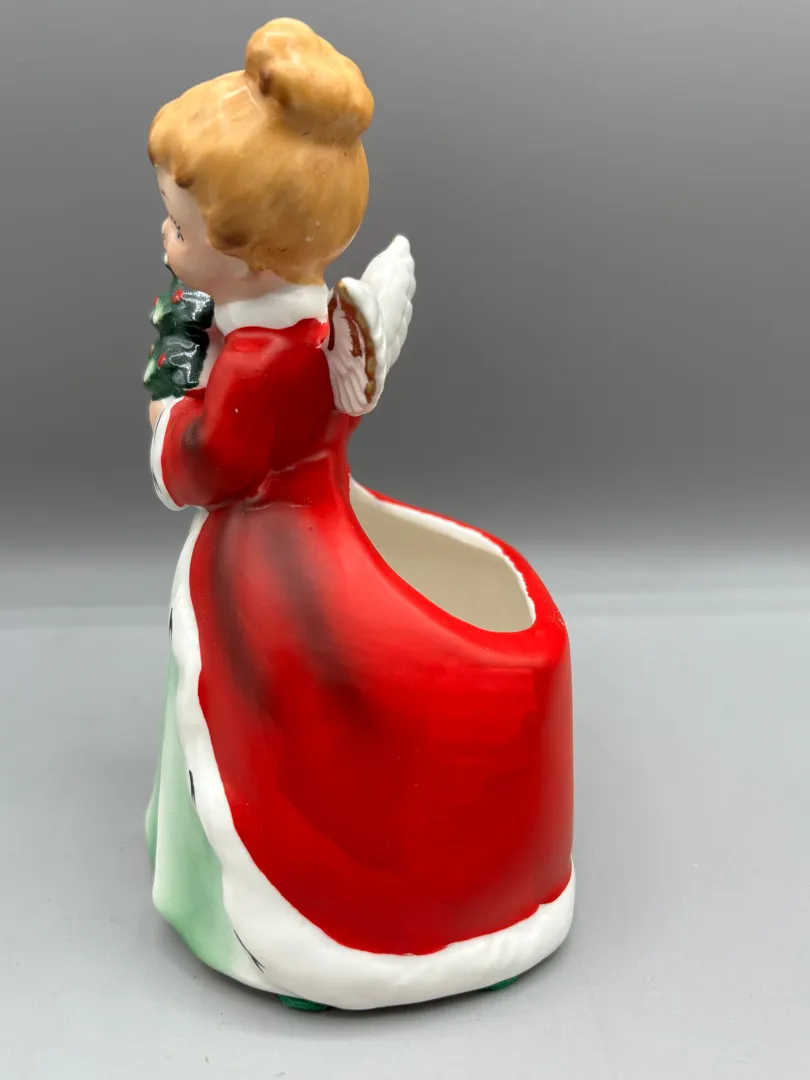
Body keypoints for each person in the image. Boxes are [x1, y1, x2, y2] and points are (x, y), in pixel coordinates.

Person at [145, 17, 574, 1011]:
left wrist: (169, 378)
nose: (164, 242)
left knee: (271, 715)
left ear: (250, 257)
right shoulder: (305, 326)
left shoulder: (259, 363)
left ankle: (290, 914)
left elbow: (189, 472)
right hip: (311, 517)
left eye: (180, 230)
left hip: (272, 561)